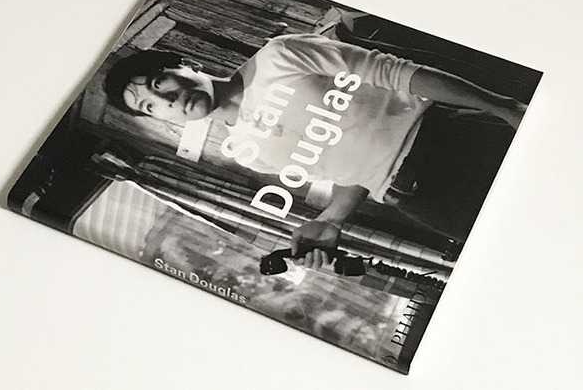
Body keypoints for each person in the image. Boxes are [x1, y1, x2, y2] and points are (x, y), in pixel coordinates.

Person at [104, 34, 527, 269]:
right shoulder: (246, 152)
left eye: (158, 83)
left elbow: (397, 73)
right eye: (150, 107)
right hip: (425, 203)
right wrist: (331, 219)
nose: (168, 100)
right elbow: (348, 170)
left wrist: (501, 106)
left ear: (183, 65)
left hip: (453, 141)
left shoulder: (279, 56)